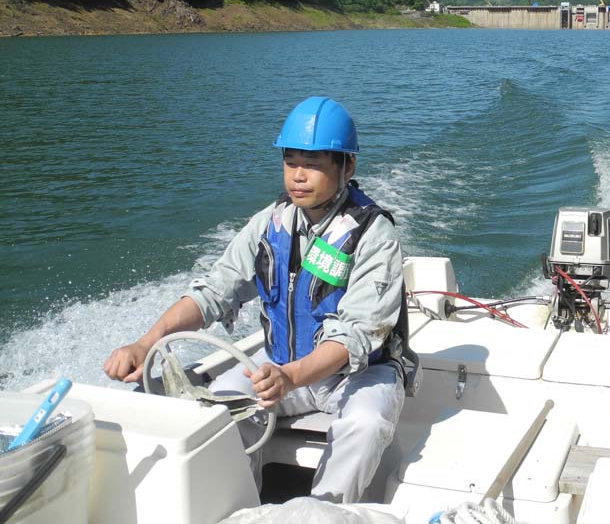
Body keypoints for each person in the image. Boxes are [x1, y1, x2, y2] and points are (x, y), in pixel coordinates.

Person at [104, 96, 407, 504]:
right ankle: (240, 509)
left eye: (314, 163)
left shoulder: (374, 234)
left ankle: (322, 513)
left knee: (366, 425)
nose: (298, 175)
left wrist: (291, 378)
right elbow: (214, 292)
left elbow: (356, 337)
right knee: (215, 414)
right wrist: (146, 342)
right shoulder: (270, 223)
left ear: (347, 167)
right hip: (279, 365)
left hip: (356, 376)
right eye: (290, 161)